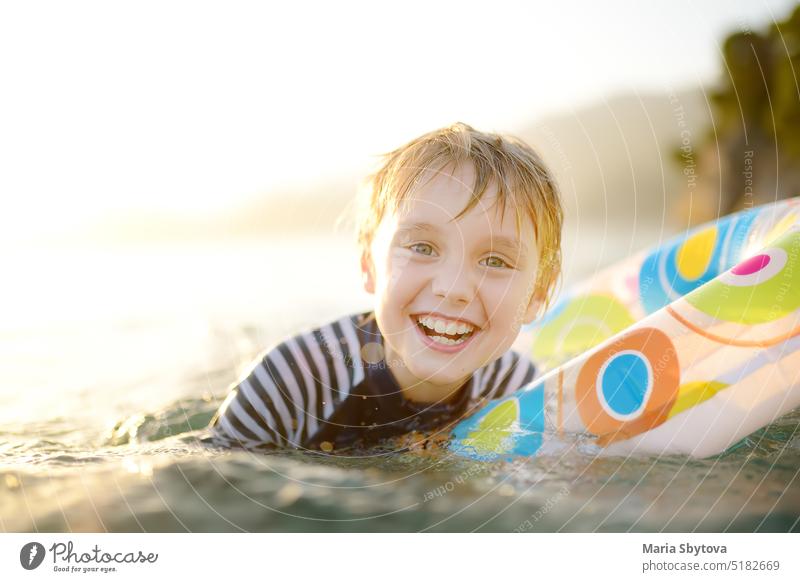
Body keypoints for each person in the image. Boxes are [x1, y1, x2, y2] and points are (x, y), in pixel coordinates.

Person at [203, 122, 563, 453]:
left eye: (495, 261)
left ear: (538, 293)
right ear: (368, 265)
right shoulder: (292, 382)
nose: (453, 289)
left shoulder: (518, 390)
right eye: (422, 248)